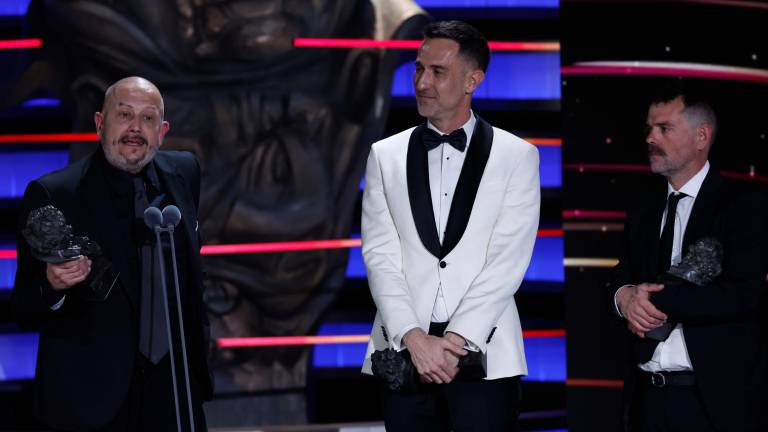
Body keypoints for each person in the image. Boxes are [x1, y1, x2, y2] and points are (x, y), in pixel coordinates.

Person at [360, 20, 540, 432]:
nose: (422, 81)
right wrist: (416, 340)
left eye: (437, 72)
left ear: (472, 80)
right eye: (418, 68)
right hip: (404, 357)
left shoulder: (517, 156)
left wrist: (454, 344)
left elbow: (507, 262)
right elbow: (379, 255)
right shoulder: (384, 155)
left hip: (486, 355)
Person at [12, 76, 212, 431]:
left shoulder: (185, 173)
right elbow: (24, 306)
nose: (136, 128)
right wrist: (52, 286)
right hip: (91, 400)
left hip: (173, 391)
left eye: (148, 118)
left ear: (162, 130)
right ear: (100, 123)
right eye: (124, 115)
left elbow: (192, 274)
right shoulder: (54, 194)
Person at [611, 84, 768, 432]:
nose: (650, 138)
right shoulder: (642, 209)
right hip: (647, 401)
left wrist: (651, 298)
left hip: (713, 404)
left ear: (701, 136)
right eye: (649, 129)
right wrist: (623, 298)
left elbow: (743, 293)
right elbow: (622, 273)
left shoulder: (744, 206)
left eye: (664, 129)